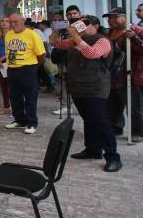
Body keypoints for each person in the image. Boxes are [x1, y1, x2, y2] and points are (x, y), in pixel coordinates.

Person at [50, 15, 122, 172]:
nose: (80, 27)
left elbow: (92, 53)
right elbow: (55, 44)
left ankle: (113, 156)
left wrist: (76, 36)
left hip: (95, 88)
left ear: (95, 26)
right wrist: (55, 31)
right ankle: (93, 149)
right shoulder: (75, 41)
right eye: (78, 24)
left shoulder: (102, 40)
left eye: (84, 24)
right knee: (88, 119)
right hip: (78, 87)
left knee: (100, 121)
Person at [104, 7, 143, 142]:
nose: (111, 20)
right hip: (113, 74)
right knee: (113, 104)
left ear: (125, 17)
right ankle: (115, 127)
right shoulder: (109, 32)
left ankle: (137, 132)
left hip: (129, 73)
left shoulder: (137, 30)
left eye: (115, 17)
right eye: (109, 18)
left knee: (133, 106)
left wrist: (134, 38)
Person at [4, 13, 46, 134]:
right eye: (10, 22)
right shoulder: (8, 34)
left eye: (15, 22)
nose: (12, 24)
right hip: (12, 69)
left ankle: (32, 122)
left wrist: (33, 67)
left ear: (23, 21)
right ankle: (19, 120)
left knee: (30, 97)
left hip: (28, 69)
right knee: (14, 97)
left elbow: (41, 54)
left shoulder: (32, 34)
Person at [0, 17, 11, 115]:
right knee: (4, 85)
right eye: (2, 21)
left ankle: (13, 106)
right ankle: (6, 106)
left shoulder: (11, 34)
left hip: (7, 61)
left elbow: (12, 49)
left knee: (10, 85)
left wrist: (1, 59)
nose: (4, 23)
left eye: (6, 21)